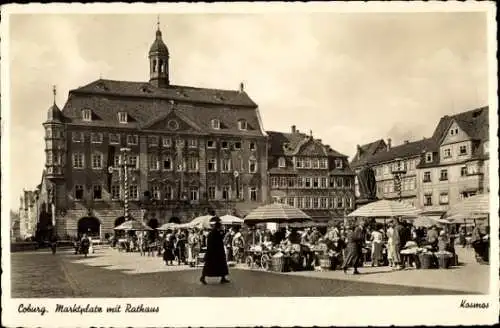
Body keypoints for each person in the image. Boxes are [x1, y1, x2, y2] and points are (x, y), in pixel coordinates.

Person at [200, 216, 230, 284]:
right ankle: (202, 277)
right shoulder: (214, 233)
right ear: (218, 226)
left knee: (220, 265)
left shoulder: (214, 232)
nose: (221, 227)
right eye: (220, 226)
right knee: (210, 265)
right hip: (214, 253)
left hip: (216, 252)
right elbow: (217, 242)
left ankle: (223, 278)